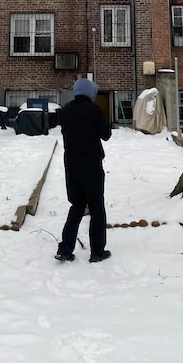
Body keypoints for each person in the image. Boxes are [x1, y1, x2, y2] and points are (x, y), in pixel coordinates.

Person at [55, 77, 112, 263]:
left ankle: (65, 249)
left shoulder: (65, 110)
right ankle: (97, 251)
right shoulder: (94, 111)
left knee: (77, 206)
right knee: (96, 208)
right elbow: (106, 135)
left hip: (71, 165)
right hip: (92, 165)